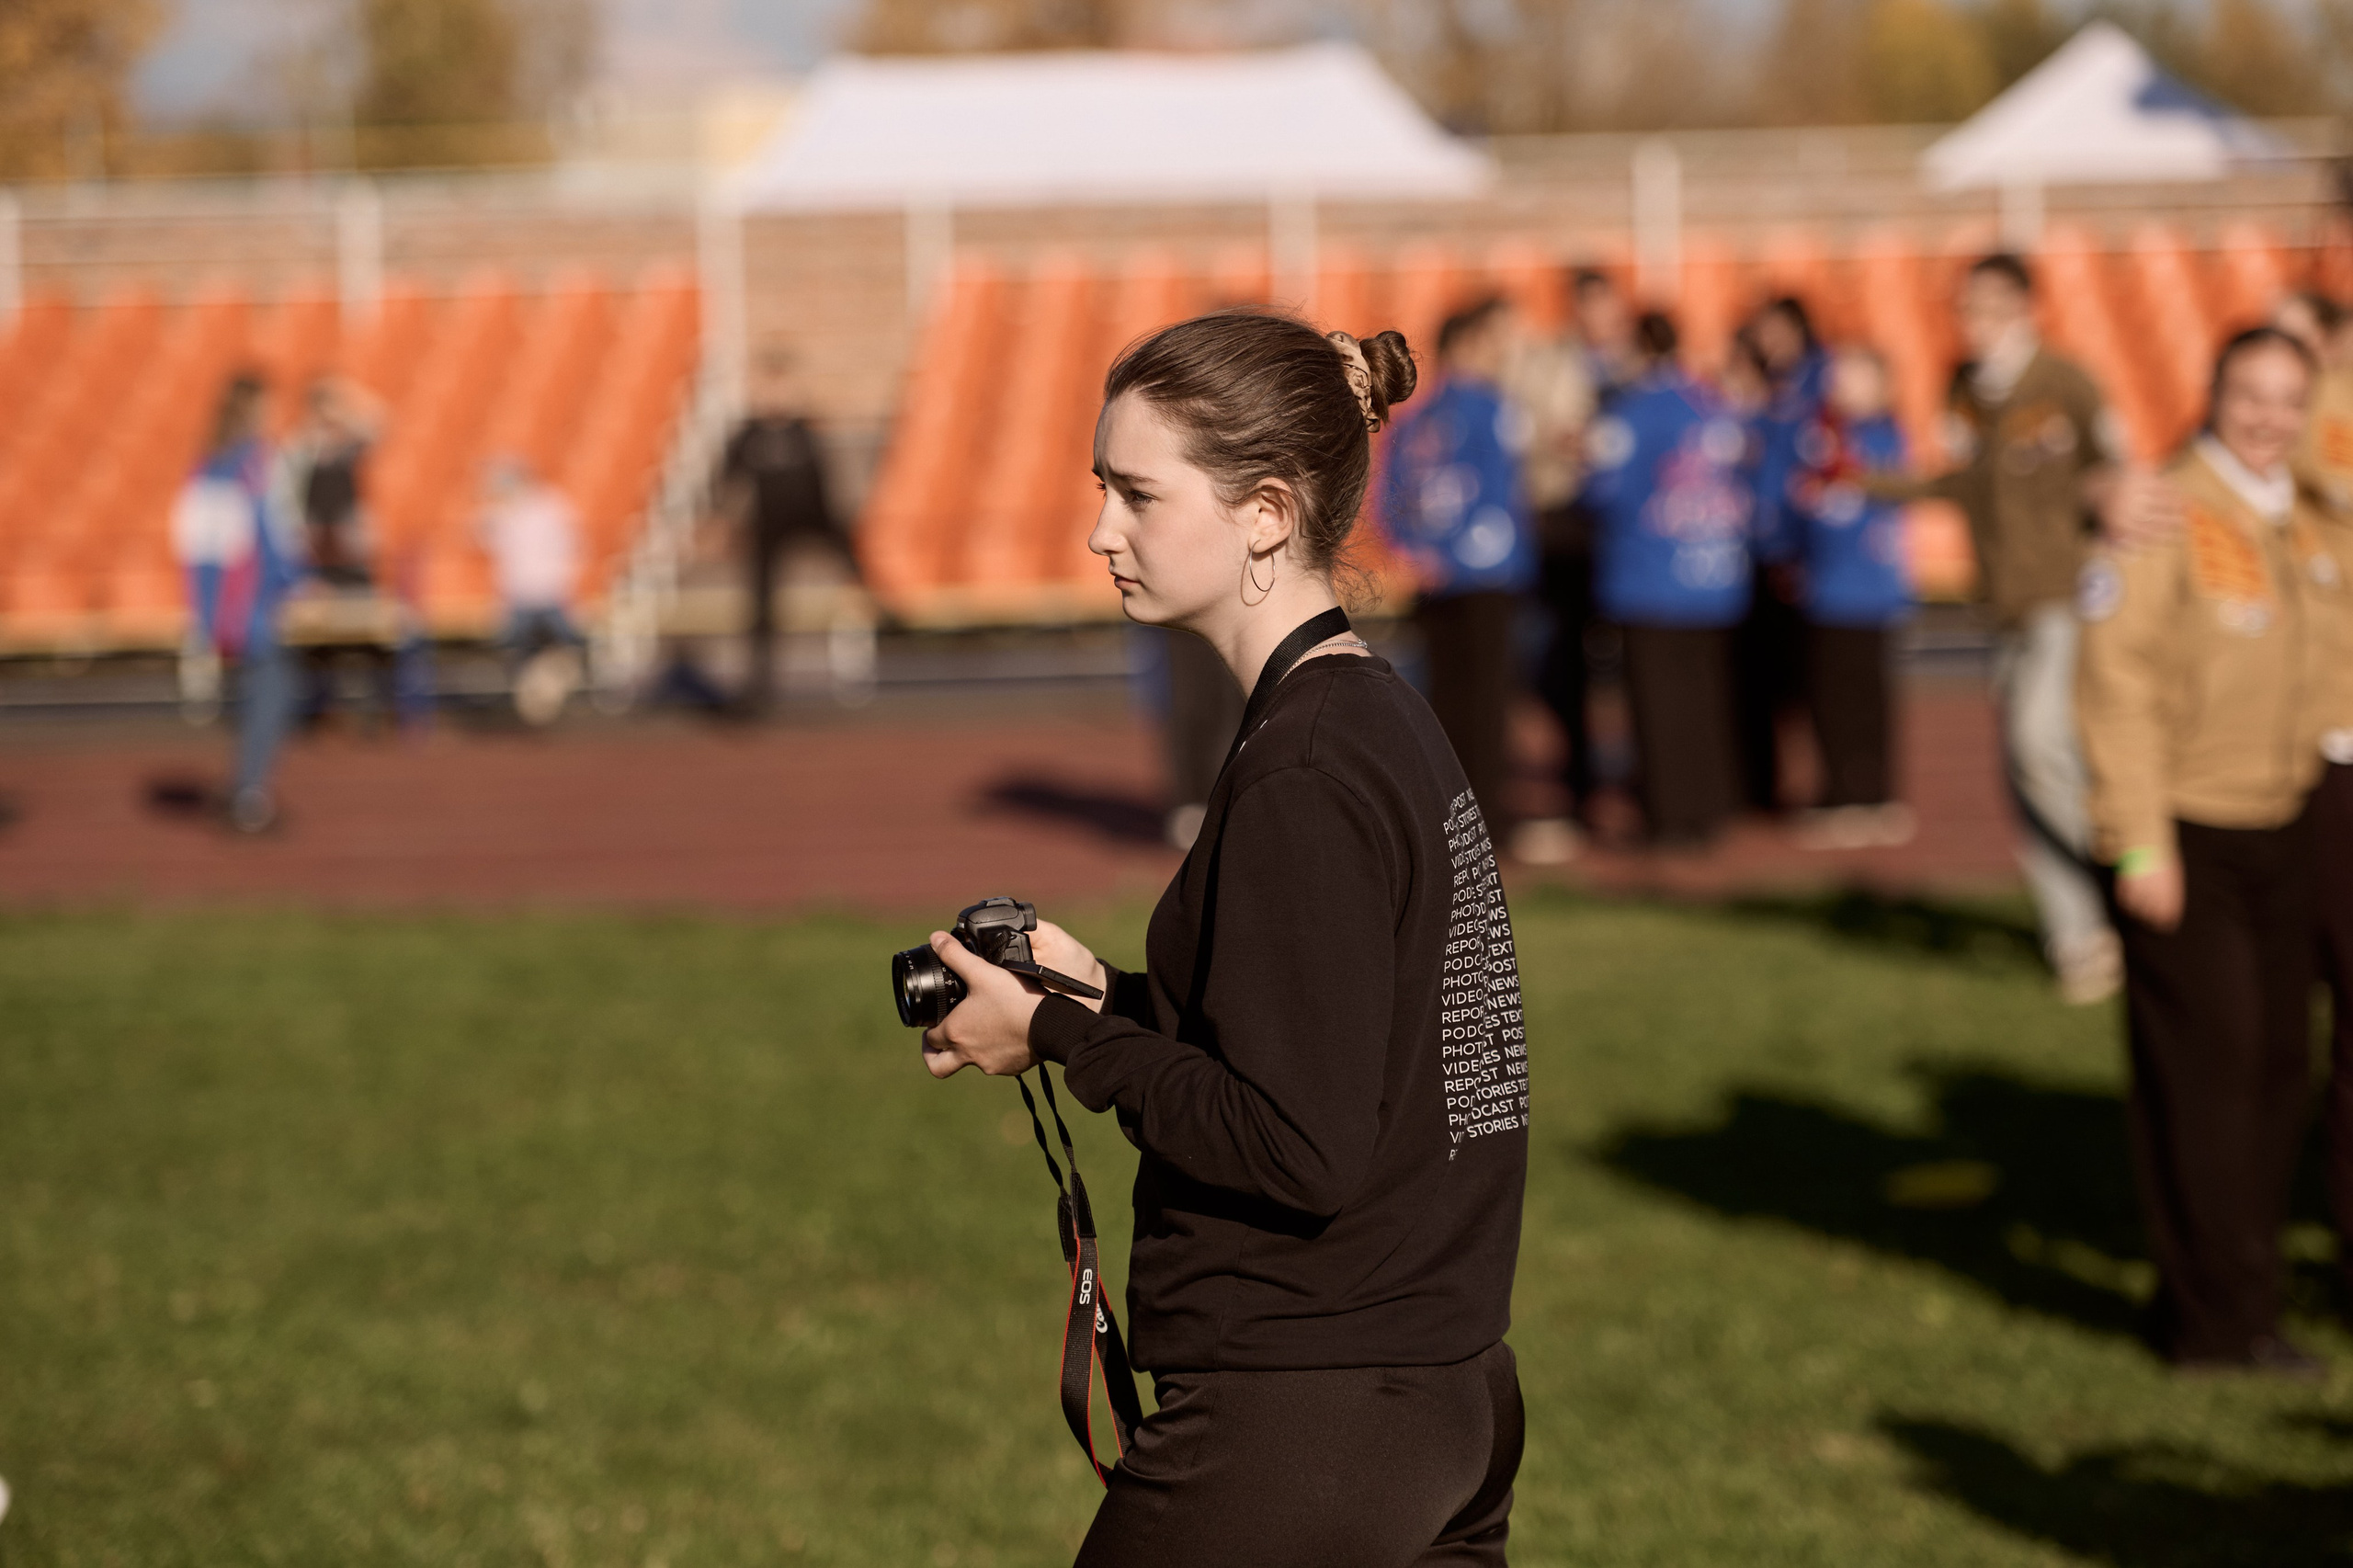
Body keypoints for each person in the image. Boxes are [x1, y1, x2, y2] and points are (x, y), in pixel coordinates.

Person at [916, 310, 1529, 1565]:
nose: (1101, 530)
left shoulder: (1304, 767)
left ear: (1264, 512)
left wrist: (1053, 1031)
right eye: (1101, 488)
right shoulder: (1368, 717)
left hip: (1306, 1413)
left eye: (1138, 493)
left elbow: (1297, 1144)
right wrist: (1113, 998)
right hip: (1435, 1396)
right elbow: (1336, 1044)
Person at [2076, 326, 2351, 1375]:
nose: (2269, 416)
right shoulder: (2163, 511)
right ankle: (2216, 1323)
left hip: (2279, 818)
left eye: (2290, 397)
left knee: (2280, 1067)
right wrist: (2139, 843)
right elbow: (2117, 684)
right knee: (2209, 1075)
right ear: (2212, 393)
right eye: (2250, 394)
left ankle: (2231, 1292)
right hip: (2187, 830)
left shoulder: (2305, 511)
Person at [1918, 253, 2180, 1005]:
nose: (1974, 321)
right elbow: (1960, 479)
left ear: (2028, 307)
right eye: (1966, 306)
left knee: (2042, 745)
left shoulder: (2067, 382)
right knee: (2021, 769)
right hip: (2000, 598)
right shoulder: (1964, 389)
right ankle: (2079, 936)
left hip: (2065, 592)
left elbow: (2118, 479)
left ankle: (2127, 877)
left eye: (1991, 305)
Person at [1579, 311, 1754, 846]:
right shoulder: (1712, 404)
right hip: (1714, 575)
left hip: (1650, 578)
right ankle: (1711, 807)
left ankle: (1670, 816)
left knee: (1659, 706)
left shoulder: (1632, 410)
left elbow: (1605, 491)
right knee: (1707, 700)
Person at [1382, 295, 1540, 847]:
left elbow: (1391, 497)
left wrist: (1413, 550)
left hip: (1435, 577)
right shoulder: (1493, 408)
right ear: (1468, 344)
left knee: (1443, 704)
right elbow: (1504, 494)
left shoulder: (1417, 417)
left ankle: (1451, 822)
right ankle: (1489, 819)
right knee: (1488, 702)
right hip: (1485, 576)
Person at [1506, 267, 1631, 858]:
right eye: (1586, 307)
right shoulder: (1548, 361)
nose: (1596, 318)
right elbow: (1523, 430)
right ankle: (1578, 784)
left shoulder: (1635, 364)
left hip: (1626, 530)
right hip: (1562, 522)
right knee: (1559, 662)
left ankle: (1636, 780)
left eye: (1604, 305)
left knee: (1640, 662)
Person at [1786, 345, 1917, 849]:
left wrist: (1828, 496)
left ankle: (1868, 795)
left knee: (1865, 700)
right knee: (1830, 699)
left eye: (1854, 378)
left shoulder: (1882, 436)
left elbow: (1871, 496)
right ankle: (1842, 790)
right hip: (1827, 589)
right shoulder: (1823, 434)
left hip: (1866, 590)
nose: (1840, 388)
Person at [170, 369, 303, 834]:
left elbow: (194, 545)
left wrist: (202, 614)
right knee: (272, 693)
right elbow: (272, 538)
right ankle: (249, 794)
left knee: (261, 694)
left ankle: (247, 787)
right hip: (251, 604)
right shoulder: (255, 464)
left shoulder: (208, 465)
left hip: (226, 606)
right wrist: (296, 582)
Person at [715, 347, 851, 715]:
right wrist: (723, 525)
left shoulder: (806, 432)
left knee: (850, 541)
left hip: (808, 518)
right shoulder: (747, 436)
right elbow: (725, 485)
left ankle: (888, 614)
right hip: (767, 524)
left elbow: (825, 487)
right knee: (760, 601)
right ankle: (758, 688)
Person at [1734, 297, 1828, 815]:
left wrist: (1799, 544)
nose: (1767, 342)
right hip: (1755, 552)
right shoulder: (1763, 393)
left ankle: (1821, 786)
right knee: (1759, 682)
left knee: (1808, 681)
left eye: (1774, 330)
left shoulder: (1818, 388)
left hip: (1799, 555)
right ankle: (1764, 787)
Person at [476, 456, 585, 727]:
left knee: (572, 649)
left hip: (550, 592)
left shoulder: (552, 505)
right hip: (519, 596)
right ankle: (528, 706)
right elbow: (478, 534)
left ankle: (557, 701)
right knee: (515, 652)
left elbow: (573, 544)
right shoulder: (503, 512)